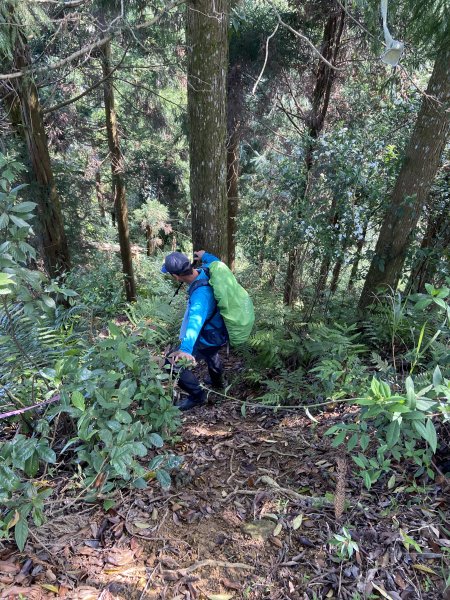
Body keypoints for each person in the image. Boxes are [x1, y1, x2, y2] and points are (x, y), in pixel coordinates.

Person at [161, 250, 228, 411]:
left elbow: (195, 322)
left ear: (176, 277)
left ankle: (198, 396)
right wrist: (205, 255)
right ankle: (218, 382)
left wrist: (185, 350)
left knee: (171, 364)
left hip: (209, 336)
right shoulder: (206, 270)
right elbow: (217, 262)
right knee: (211, 353)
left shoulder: (200, 295)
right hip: (218, 331)